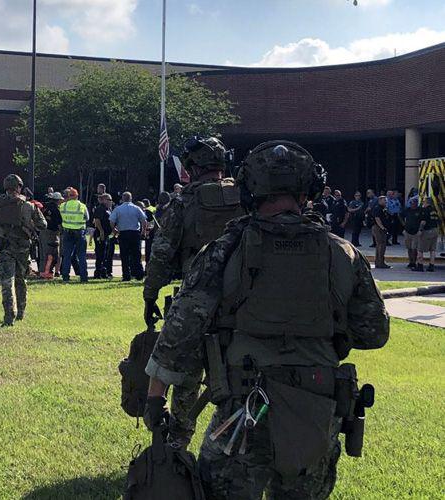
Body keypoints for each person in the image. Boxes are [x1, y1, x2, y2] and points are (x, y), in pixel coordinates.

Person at [143, 140, 389, 499]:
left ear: (249, 189)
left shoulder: (225, 250)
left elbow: (180, 331)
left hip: (244, 410)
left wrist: (154, 397)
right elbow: (374, 332)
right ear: (310, 190)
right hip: (316, 409)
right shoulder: (341, 252)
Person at [141, 136, 244, 448]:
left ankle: (178, 441)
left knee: (186, 374)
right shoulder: (247, 197)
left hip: (196, 298)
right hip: (244, 301)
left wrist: (150, 295)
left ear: (192, 167)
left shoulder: (183, 202)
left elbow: (161, 255)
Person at [0, 174, 46, 326]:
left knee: (7, 281)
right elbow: (43, 224)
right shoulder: (28, 206)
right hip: (22, 248)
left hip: (5, 247)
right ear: (19, 186)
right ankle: (21, 312)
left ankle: (9, 315)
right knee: (21, 280)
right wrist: (30, 226)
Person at [109, 192, 148, 281]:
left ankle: (126, 275)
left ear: (122, 199)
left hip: (123, 234)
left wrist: (114, 229)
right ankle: (139, 274)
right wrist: (143, 231)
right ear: (131, 198)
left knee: (124, 255)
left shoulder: (118, 209)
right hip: (135, 233)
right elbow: (144, 221)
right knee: (136, 255)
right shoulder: (136, 208)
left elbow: (111, 221)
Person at [59, 187, 89, 283]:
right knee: (81, 255)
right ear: (77, 196)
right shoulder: (82, 206)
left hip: (67, 232)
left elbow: (61, 217)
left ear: (69, 196)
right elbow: (87, 218)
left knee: (67, 255)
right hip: (79, 232)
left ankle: (65, 277)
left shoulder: (63, 206)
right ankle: (83, 277)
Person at [38, 192, 63, 279]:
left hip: (42, 231)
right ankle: (47, 272)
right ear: (58, 200)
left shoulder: (45, 207)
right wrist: (62, 232)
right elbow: (59, 224)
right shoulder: (56, 209)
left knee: (43, 253)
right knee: (51, 253)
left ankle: (42, 271)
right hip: (52, 233)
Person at [92, 193, 115, 279]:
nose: (111, 202)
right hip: (100, 234)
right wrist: (101, 231)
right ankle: (98, 273)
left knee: (105, 254)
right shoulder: (100, 209)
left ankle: (104, 272)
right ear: (104, 200)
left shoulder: (108, 209)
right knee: (100, 254)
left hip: (107, 235)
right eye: (109, 200)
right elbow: (97, 220)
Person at [417, 196, 440, 271]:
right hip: (435, 230)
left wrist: (420, 230)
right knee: (432, 250)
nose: (423, 203)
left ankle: (420, 266)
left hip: (427, 231)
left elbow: (423, 221)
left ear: (427, 202)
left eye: (424, 201)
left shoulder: (425, 210)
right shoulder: (434, 210)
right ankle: (431, 266)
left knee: (420, 249)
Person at [402, 196, 422, 270]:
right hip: (407, 232)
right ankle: (410, 262)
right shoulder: (407, 210)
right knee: (409, 248)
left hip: (416, 232)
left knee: (414, 248)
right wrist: (403, 224)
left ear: (416, 203)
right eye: (411, 203)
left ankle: (414, 262)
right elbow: (400, 215)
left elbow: (423, 221)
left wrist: (420, 230)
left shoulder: (420, 211)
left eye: (413, 203)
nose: (412, 204)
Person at [370, 195, 390, 269]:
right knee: (381, 245)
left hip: (381, 228)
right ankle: (380, 263)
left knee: (381, 245)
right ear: (380, 201)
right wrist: (382, 228)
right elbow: (377, 219)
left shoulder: (383, 208)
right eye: (384, 200)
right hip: (378, 228)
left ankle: (379, 262)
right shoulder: (377, 208)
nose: (386, 202)